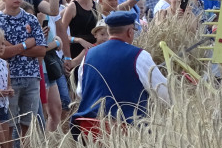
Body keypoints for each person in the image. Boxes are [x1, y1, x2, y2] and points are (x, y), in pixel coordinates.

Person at [71, 10, 170, 141]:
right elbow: (163, 92)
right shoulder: (139, 55)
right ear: (130, 31)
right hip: (127, 131)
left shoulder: (88, 55)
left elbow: (81, 92)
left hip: (90, 128)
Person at [0, 0, 47, 146]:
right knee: (10, 120)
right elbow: (1, 52)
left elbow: (41, 50)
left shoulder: (31, 19)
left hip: (31, 76)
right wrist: (25, 44)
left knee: (28, 121)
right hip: (9, 78)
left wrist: (13, 48)